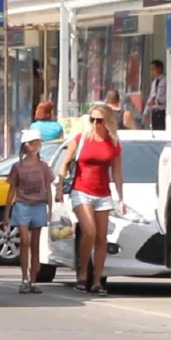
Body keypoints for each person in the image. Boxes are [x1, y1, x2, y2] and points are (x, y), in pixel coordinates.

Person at [57, 104, 125, 296]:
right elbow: (65, 163)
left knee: (102, 238)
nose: (95, 124)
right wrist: (60, 188)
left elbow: (117, 173)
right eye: (92, 120)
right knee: (89, 232)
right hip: (81, 190)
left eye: (99, 120)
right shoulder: (80, 139)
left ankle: (97, 280)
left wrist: (121, 198)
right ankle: (82, 274)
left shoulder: (113, 143)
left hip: (103, 193)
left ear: (107, 122)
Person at [3, 130, 54, 294]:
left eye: (37, 143)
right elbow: (12, 190)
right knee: (24, 241)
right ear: (25, 146)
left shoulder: (43, 166)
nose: (35, 146)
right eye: (32, 143)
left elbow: (48, 189)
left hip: (38, 205)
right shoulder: (17, 167)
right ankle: (24, 277)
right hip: (22, 205)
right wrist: (7, 213)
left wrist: (50, 209)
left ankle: (32, 280)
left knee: (35, 244)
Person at [145, 59, 167, 130]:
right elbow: (151, 96)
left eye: (153, 69)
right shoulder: (154, 82)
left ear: (160, 68)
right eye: (151, 69)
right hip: (154, 112)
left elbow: (168, 96)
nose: (151, 71)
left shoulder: (166, 80)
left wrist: (157, 102)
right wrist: (146, 112)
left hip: (162, 112)